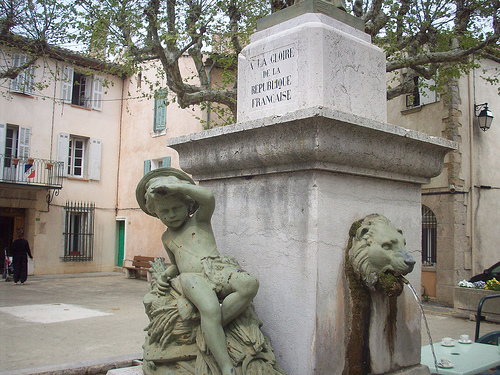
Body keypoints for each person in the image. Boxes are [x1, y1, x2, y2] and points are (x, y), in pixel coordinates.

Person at [136, 168, 259, 375]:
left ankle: (209, 329)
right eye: (164, 212)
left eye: (176, 208)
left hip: (218, 268)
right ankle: (226, 365)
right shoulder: (167, 238)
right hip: (191, 278)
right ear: (156, 214)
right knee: (209, 309)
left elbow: (209, 198)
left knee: (250, 284)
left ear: (188, 204)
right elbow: (176, 264)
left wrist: (176, 187)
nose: (171, 215)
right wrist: (166, 275)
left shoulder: (200, 220)